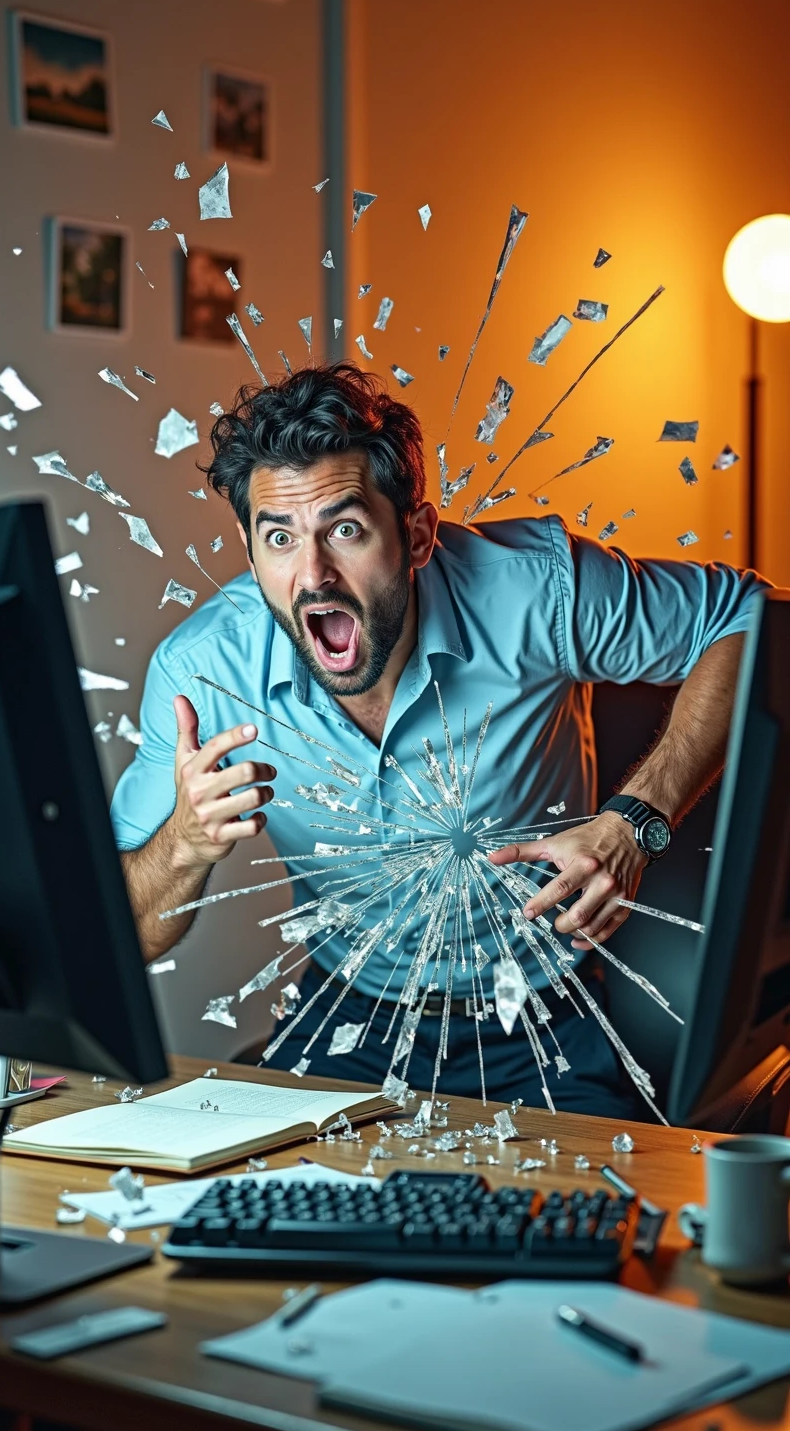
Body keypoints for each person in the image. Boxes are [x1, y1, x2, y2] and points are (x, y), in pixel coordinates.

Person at [112, 363, 768, 1117]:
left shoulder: (531, 591)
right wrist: (184, 844)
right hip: (344, 1016)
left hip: (544, 1019)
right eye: (280, 538)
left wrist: (637, 819)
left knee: (593, 1226)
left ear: (417, 535)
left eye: (346, 529)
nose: (312, 575)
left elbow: (754, 619)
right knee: (254, 1221)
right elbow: (123, 934)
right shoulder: (202, 670)